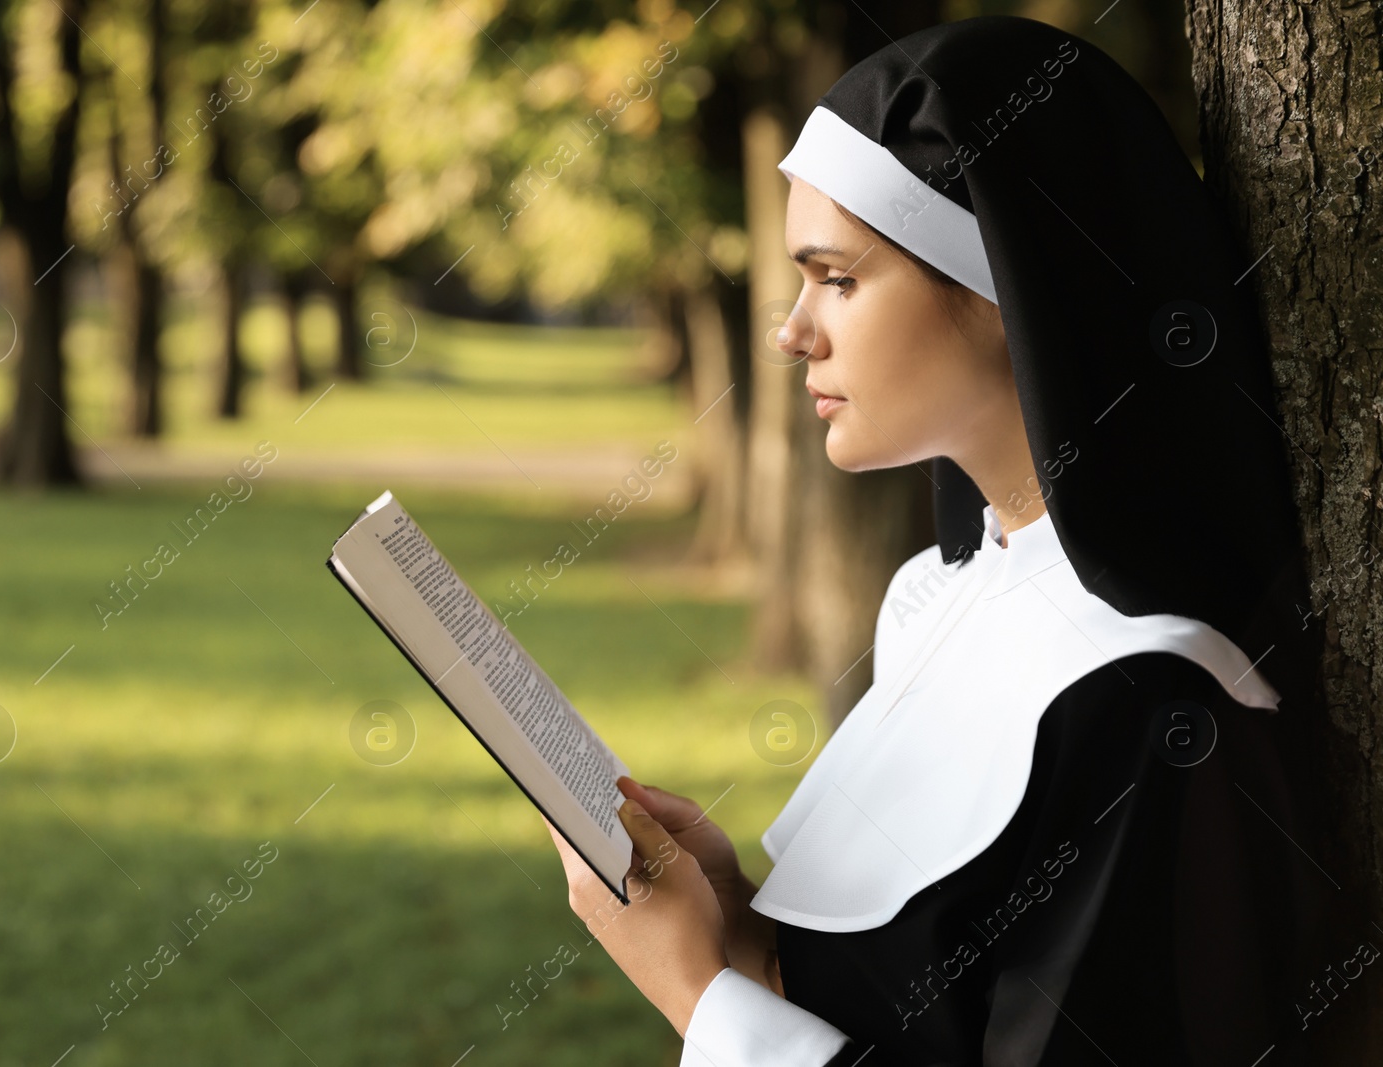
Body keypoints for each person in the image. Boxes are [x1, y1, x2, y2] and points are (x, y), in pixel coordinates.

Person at [544, 14, 1333, 1066]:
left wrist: (701, 997)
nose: (791, 332)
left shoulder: (1149, 710)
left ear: (1009, 291)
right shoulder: (940, 599)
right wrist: (739, 923)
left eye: (837, 278)